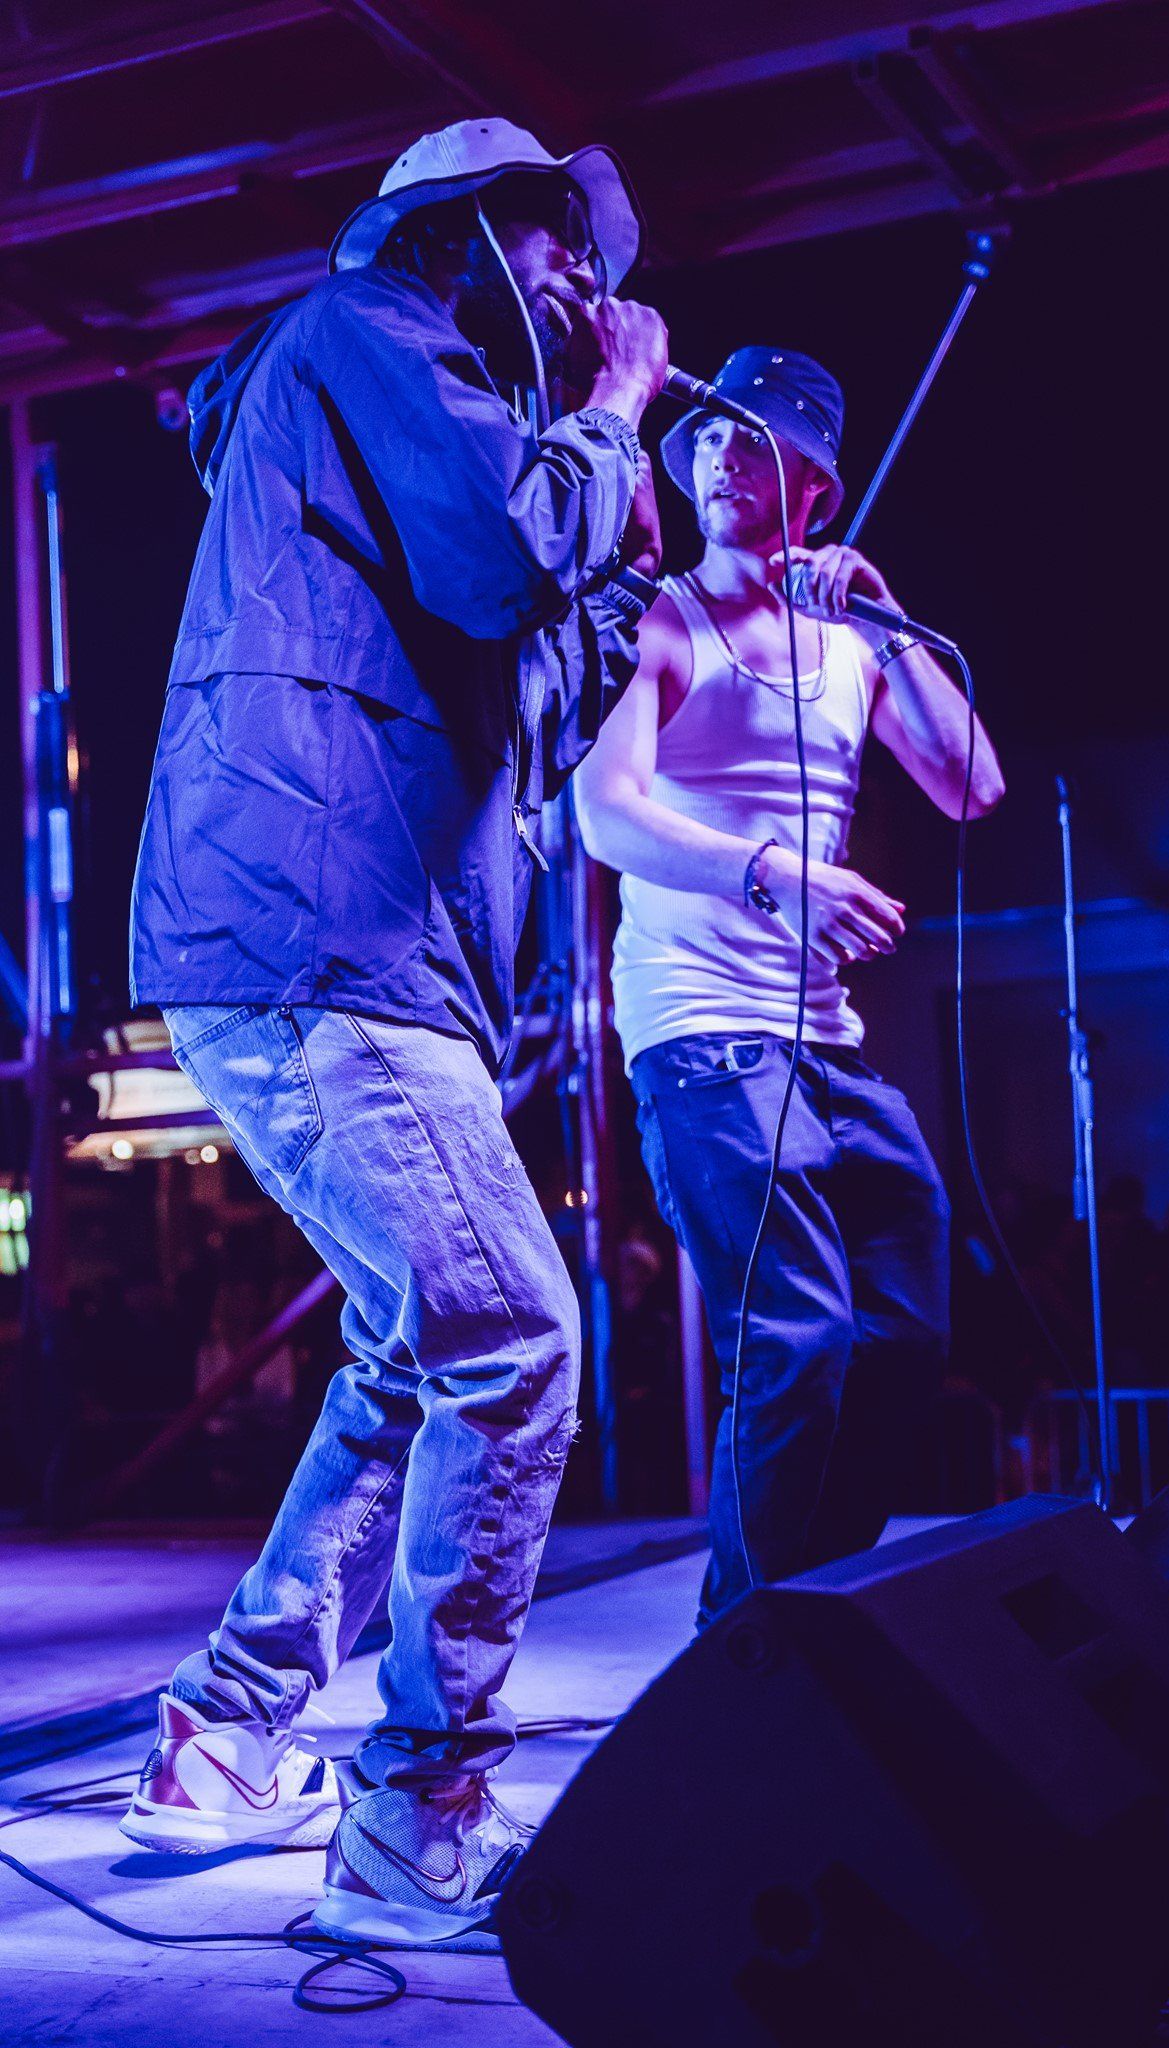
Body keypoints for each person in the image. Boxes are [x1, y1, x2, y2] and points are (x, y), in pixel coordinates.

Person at [123, 117, 668, 1946]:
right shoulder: (368, 329)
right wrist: (618, 413)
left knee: (408, 1352)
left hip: (343, 945)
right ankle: (415, 1811)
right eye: (563, 249)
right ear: (473, 237)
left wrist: (633, 560)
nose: (590, 288)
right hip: (314, 935)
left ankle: (224, 1736)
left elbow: (530, 690)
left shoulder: (415, 414)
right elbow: (510, 562)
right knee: (514, 1337)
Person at [575, 347, 1004, 1625]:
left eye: (748, 437)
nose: (715, 452)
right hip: (703, 1031)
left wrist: (880, 615)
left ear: (812, 477)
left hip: (826, 1039)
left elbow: (970, 781)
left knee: (906, 1332)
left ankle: (806, 1607)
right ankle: (743, 1653)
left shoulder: (850, 644)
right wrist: (775, 873)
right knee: (798, 1336)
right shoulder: (664, 621)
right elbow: (606, 812)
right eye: (704, 433)